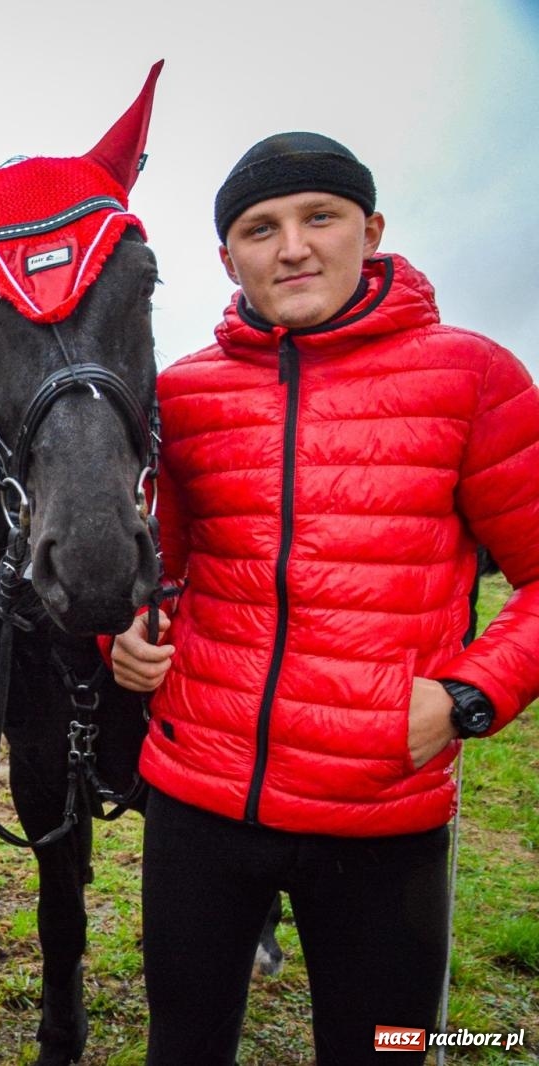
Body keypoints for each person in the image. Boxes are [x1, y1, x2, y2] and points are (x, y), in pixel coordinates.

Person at [110, 133, 539, 1064]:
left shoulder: (473, 378)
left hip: (379, 806)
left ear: (371, 231)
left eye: (320, 218)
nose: (293, 247)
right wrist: (128, 637)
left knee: (384, 1047)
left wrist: (466, 697)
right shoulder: (181, 395)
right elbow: (157, 570)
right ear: (228, 257)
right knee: (182, 1045)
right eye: (260, 229)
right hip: (198, 798)